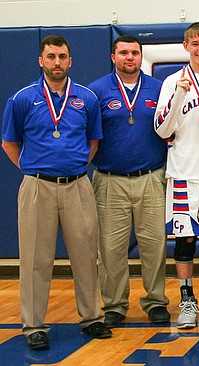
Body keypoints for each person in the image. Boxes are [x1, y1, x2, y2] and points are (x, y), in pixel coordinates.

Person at [2, 35, 111, 349]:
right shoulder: (22, 98)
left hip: (78, 185)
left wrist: (74, 166)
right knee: (35, 260)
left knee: (86, 256)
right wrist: (31, 169)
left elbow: (94, 141)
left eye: (62, 57)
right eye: (51, 57)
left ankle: (92, 318)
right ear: (41, 60)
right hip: (37, 186)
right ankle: (34, 325)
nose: (57, 63)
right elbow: (9, 142)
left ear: (70, 60)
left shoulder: (86, 98)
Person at [88, 35, 170, 328]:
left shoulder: (158, 88)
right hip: (110, 180)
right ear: (113, 57)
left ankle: (156, 301)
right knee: (110, 248)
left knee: (153, 245)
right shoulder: (96, 91)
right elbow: (89, 137)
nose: (129, 58)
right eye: (123, 53)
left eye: (134, 53)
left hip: (150, 177)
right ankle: (114, 304)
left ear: (140, 56)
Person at [154, 21, 199, 328]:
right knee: (184, 240)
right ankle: (186, 297)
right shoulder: (172, 81)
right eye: (194, 44)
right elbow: (162, 130)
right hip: (183, 171)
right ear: (186, 47)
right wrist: (180, 96)